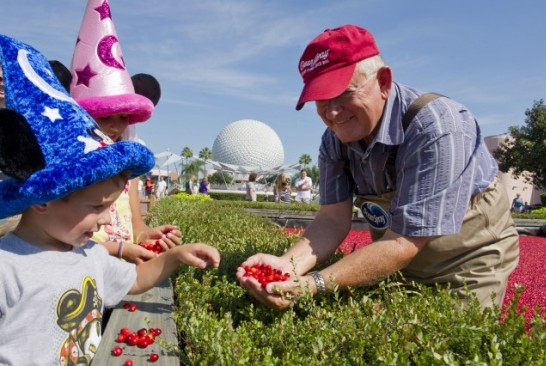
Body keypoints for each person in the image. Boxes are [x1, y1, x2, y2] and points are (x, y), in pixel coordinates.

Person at [237, 24, 519, 310]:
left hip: (466, 263)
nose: (332, 112)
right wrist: (288, 265)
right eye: (321, 100)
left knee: (453, 346)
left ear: (383, 81)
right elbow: (332, 220)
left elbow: (403, 243)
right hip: (395, 260)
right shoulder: (335, 140)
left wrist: (314, 284)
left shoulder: (437, 127)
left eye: (343, 93)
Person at [0, 34, 220, 365]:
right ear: (42, 198)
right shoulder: (8, 267)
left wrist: (175, 257)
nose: (106, 220)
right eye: (96, 207)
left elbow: (135, 280)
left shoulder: (89, 254)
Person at [66, 0, 181, 263]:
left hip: (120, 268)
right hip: (84, 266)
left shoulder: (128, 158)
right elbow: (64, 239)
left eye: (123, 117)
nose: (117, 126)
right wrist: (119, 249)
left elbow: (135, 225)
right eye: (106, 117)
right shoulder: (72, 161)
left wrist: (146, 236)